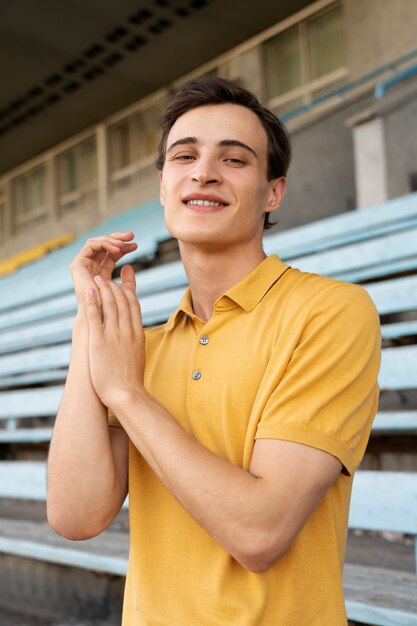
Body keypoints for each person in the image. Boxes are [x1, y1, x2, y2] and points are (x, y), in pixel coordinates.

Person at [47, 77, 381, 626]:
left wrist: (128, 394)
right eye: (185, 155)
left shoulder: (330, 312)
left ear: (273, 192)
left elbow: (259, 532)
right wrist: (91, 316)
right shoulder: (140, 346)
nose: (204, 171)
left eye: (235, 159)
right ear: (163, 186)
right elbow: (75, 515)